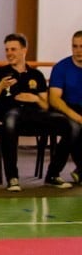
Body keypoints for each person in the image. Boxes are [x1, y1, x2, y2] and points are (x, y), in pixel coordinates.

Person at [0, 33, 73, 191]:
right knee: (10, 120)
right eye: (7, 49)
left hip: (34, 115)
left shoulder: (36, 75)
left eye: (13, 49)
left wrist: (35, 99)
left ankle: (53, 174)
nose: (9, 53)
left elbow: (45, 106)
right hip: (9, 114)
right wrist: (0, 87)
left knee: (68, 124)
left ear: (24, 50)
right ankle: (13, 178)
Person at [47, 30, 82, 185]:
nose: (78, 50)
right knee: (74, 127)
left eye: (81, 46)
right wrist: (77, 117)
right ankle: (53, 173)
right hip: (65, 108)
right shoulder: (61, 67)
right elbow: (54, 99)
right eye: (75, 46)